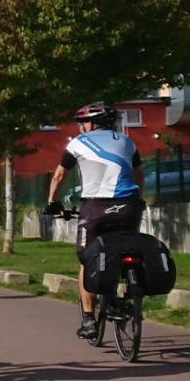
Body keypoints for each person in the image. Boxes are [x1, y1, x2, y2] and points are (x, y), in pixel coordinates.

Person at [44, 102, 145, 338]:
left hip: (96, 209)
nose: (80, 128)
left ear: (90, 124)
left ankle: (89, 320)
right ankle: (131, 288)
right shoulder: (127, 141)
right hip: (129, 206)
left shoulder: (78, 143)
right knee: (128, 246)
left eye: (81, 123)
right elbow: (139, 174)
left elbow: (59, 175)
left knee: (87, 260)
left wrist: (52, 203)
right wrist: (138, 198)